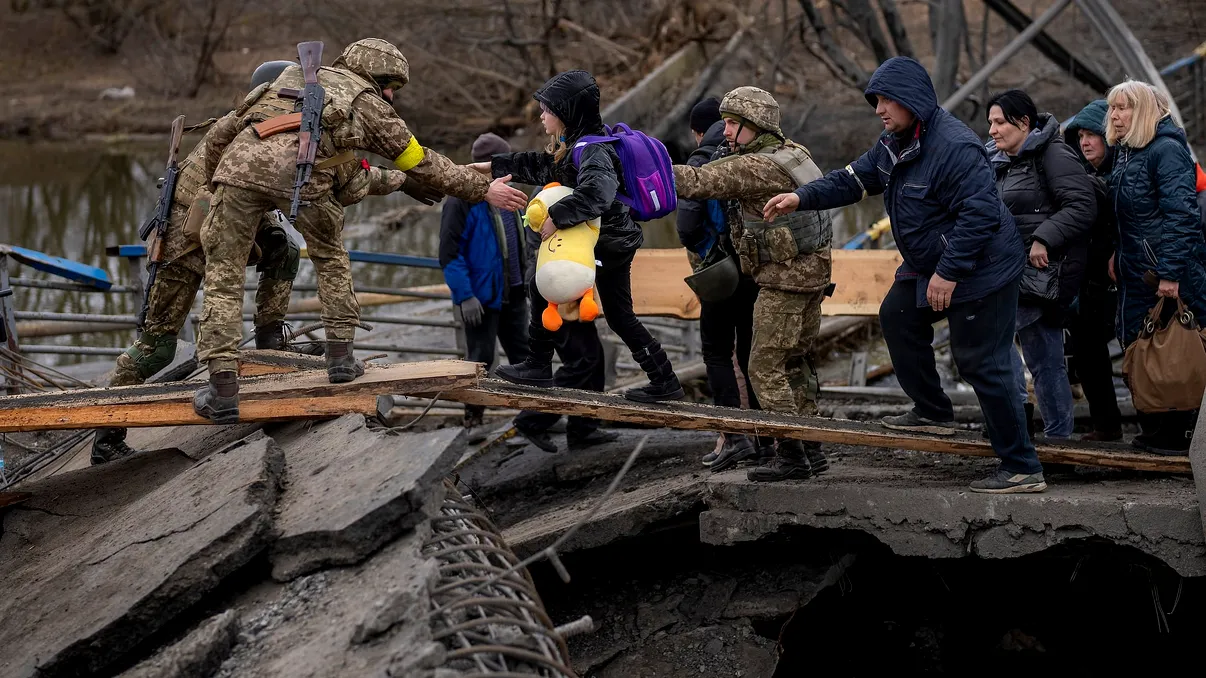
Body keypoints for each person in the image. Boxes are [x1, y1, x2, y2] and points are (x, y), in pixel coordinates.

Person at [193, 38, 528, 423]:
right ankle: (340, 360)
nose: (390, 94)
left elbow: (222, 132)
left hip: (235, 172)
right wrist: (484, 189)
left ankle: (222, 389)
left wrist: (214, 184)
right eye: (390, 86)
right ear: (373, 77)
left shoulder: (289, 75)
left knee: (222, 275)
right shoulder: (367, 104)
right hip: (307, 180)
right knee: (331, 259)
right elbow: (421, 162)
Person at [763, 57, 1045, 493]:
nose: (879, 109)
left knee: (981, 363)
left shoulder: (954, 147)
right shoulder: (892, 143)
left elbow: (982, 214)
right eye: (875, 100)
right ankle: (933, 411)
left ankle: (1022, 465)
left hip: (982, 269)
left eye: (887, 100)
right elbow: (852, 180)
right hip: (929, 264)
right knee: (897, 315)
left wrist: (948, 274)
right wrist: (800, 198)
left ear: (913, 101)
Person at [474, 69, 684, 403]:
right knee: (619, 315)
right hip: (614, 240)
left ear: (565, 113)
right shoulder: (581, 144)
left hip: (606, 242)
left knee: (541, 284)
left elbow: (598, 193)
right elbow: (545, 166)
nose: (541, 116)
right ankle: (665, 379)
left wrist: (556, 217)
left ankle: (538, 366)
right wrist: (495, 166)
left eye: (546, 110)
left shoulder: (591, 150)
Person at [674, 86, 833, 481]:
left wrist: (634, 165)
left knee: (762, 367)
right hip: (810, 275)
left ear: (754, 125)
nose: (724, 131)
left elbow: (696, 182)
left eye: (731, 124)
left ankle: (792, 455)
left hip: (785, 282)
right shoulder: (793, 152)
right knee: (794, 365)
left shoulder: (757, 166)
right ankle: (811, 449)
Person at [986, 89, 1097, 440]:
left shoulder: (1054, 154)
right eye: (990, 122)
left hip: (1044, 273)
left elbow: (1082, 206)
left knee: (1039, 359)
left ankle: (1053, 438)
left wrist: (1043, 237)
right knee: (1012, 352)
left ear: (1024, 122)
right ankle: (1021, 428)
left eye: (1000, 122)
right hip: (1005, 271)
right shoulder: (996, 160)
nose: (992, 130)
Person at [1105, 80, 1206, 454]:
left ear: (1144, 110)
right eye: (1112, 108)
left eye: (1123, 107)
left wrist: (1170, 273)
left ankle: (1177, 432)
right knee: (1141, 345)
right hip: (1137, 269)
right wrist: (1118, 252)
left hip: (1164, 271)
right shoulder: (1128, 152)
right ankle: (1157, 427)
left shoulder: (1165, 150)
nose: (1114, 115)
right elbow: (1129, 215)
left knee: (1174, 348)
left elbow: (1182, 216)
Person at [675, 97, 769, 468]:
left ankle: (733, 437)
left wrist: (709, 250)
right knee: (749, 351)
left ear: (697, 133)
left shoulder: (703, 161)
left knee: (716, 351)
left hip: (721, 273)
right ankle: (766, 438)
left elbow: (685, 224)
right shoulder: (748, 154)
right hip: (754, 269)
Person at [439, 133, 532, 441]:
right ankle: (473, 421)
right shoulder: (461, 200)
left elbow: (524, 242)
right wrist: (464, 296)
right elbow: (449, 255)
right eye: (502, 162)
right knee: (479, 359)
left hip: (515, 293)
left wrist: (530, 276)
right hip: (481, 297)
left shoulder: (511, 195)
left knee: (525, 357)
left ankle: (534, 418)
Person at [1063, 99, 1124, 441]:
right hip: (1092, 280)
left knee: (1138, 351)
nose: (1085, 142)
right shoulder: (1084, 176)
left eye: (1093, 135)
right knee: (1087, 348)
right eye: (1081, 135)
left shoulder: (1126, 171)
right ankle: (1106, 425)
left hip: (1125, 276)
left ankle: (1160, 426)